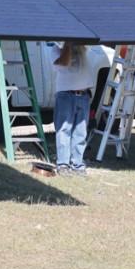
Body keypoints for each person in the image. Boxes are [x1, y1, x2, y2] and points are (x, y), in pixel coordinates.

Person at [50, 41, 95, 176]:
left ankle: (77, 164)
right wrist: (68, 45)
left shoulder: (83, 47)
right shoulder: (55, 49)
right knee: (64, 129)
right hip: (66, 94)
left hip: (83, 94)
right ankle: (63, 164)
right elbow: (64, 62)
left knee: (80, 131)